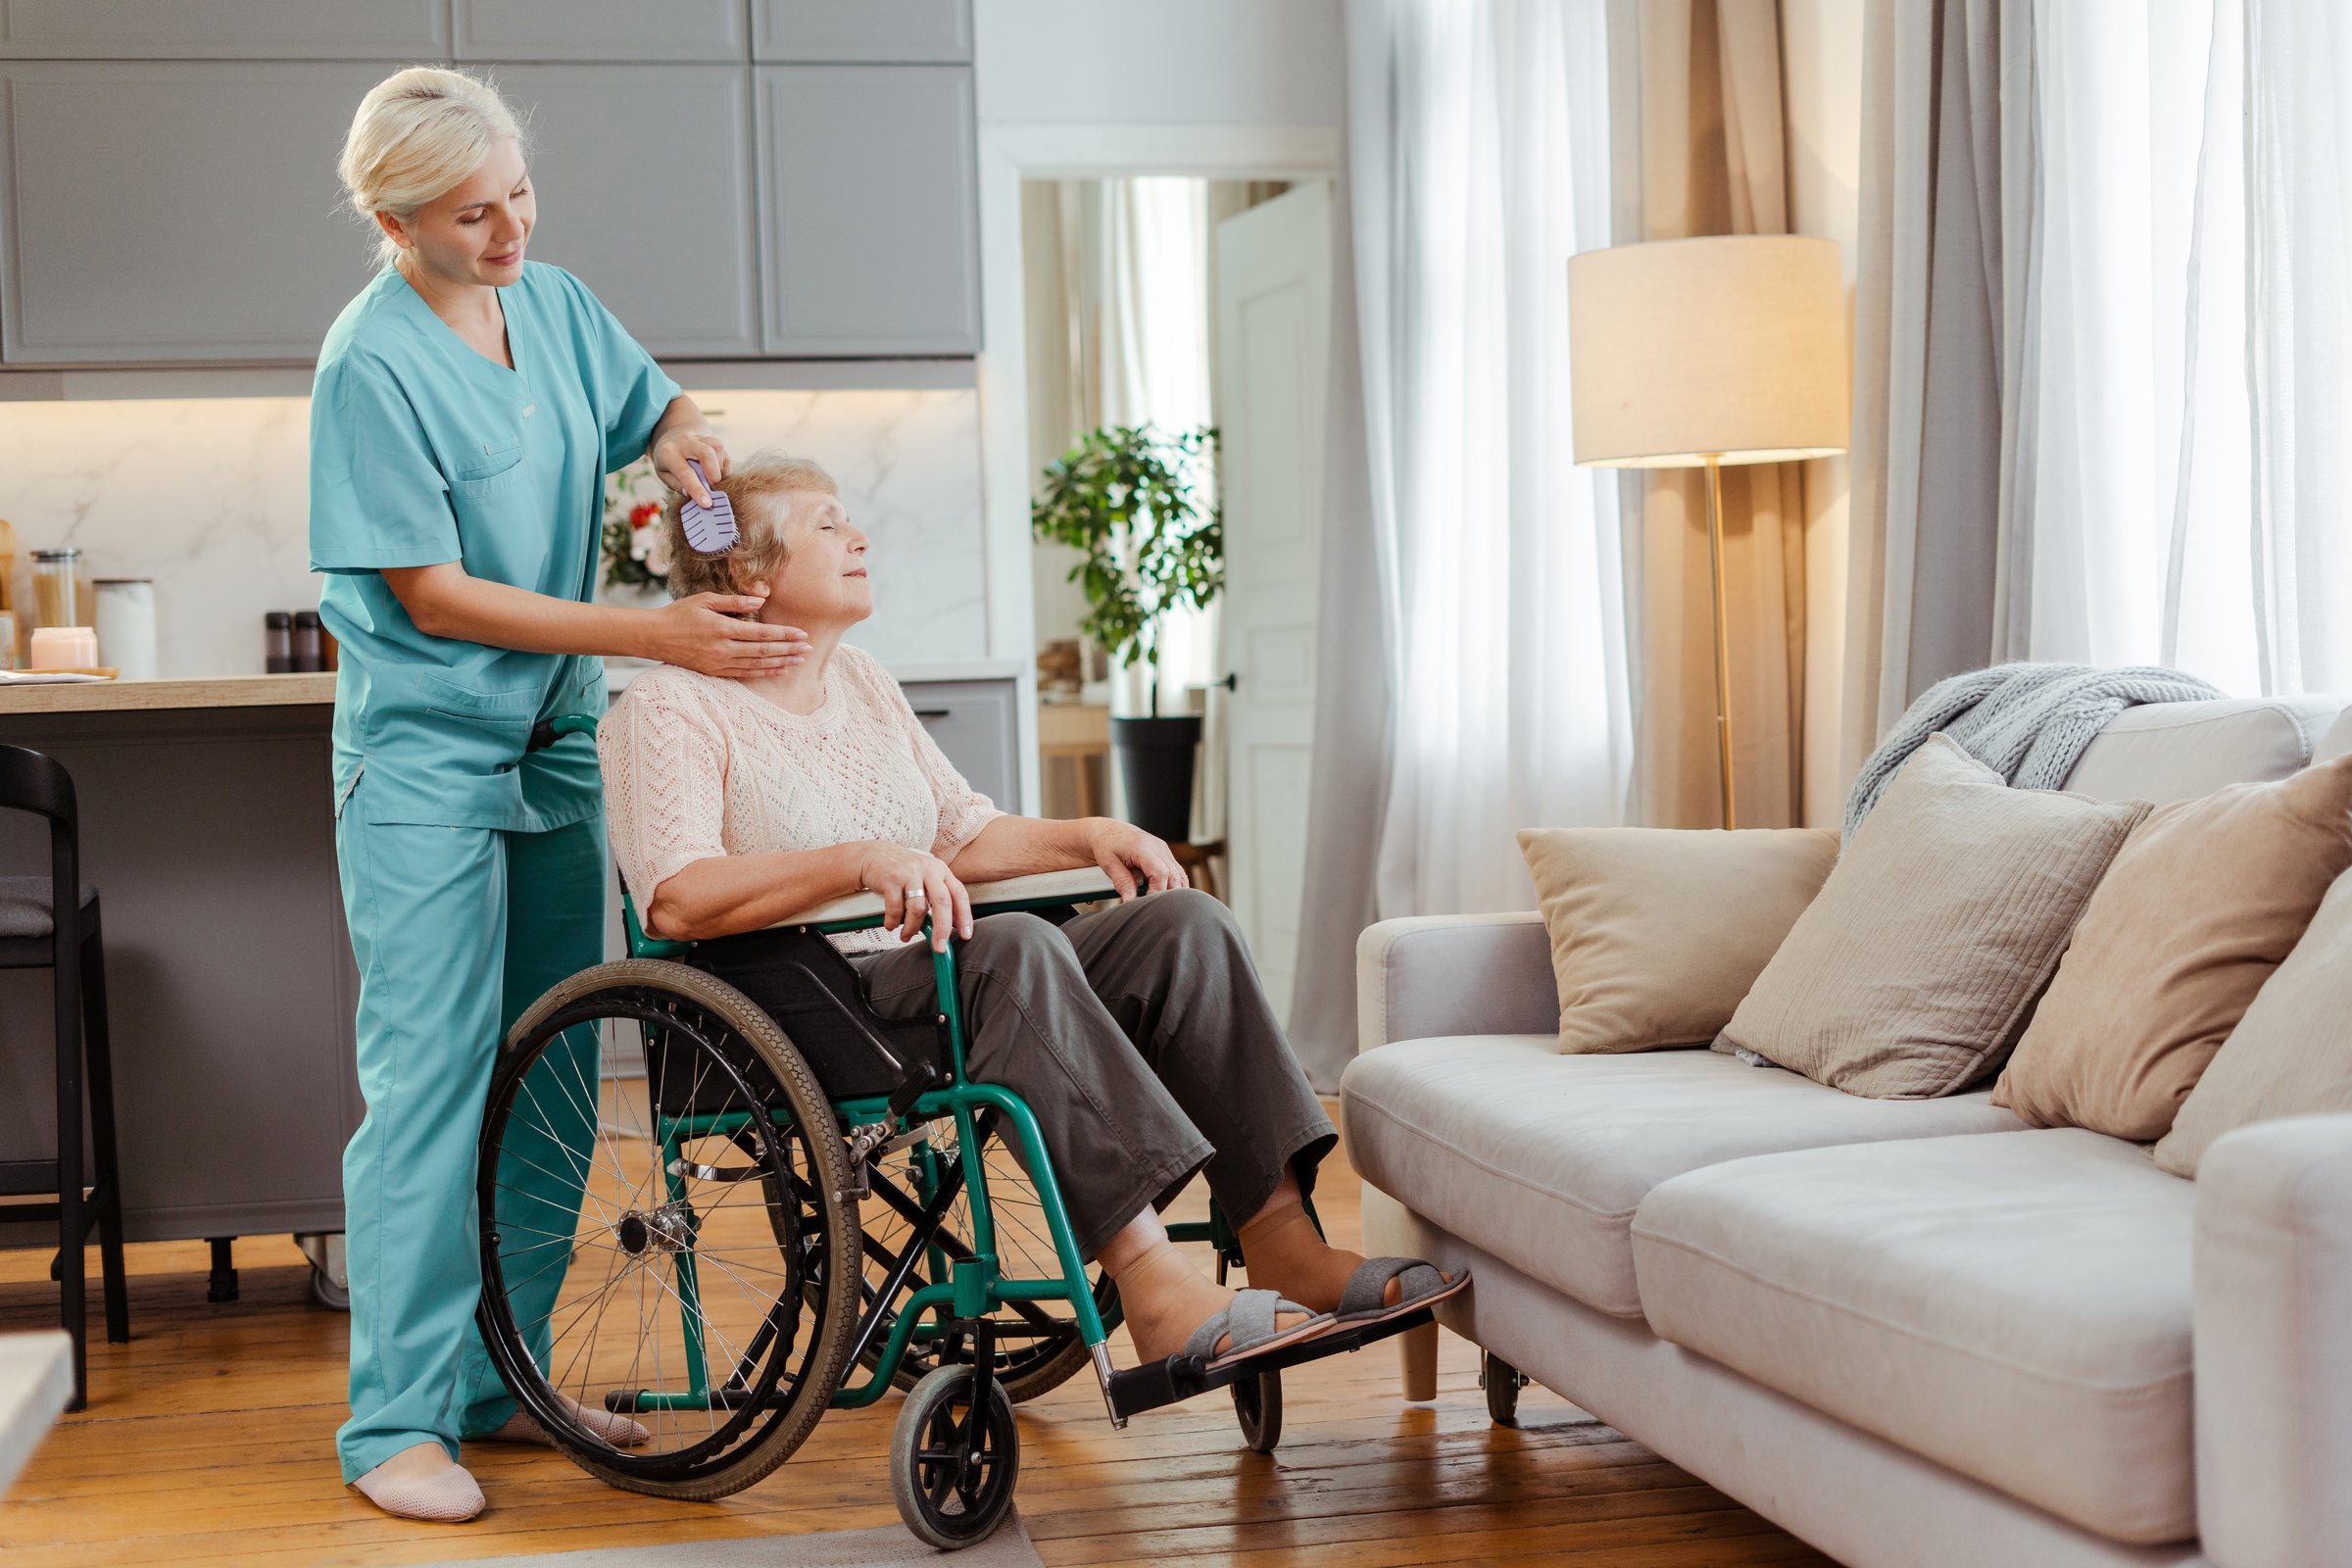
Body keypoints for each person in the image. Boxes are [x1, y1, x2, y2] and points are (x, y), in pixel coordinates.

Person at [599, 457, 1463, 1385]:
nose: (858, 538)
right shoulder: (667, 708)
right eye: (826, 525)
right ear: (748, 576)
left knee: (1186, 927)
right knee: (1012, 946)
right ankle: (1154, 1286)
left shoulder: (863, 684)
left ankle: (1283, 1236)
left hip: (934, 966)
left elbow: (961, 833)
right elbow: (676, 895)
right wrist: (858, 861)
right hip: (812, 997)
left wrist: (1089, 835)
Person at [311, 68, 810, 1524]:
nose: (512, 223)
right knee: (429, 1090)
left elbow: (657, 412)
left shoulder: (560, 304)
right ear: (398, 219)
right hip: (424, 763)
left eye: (521, 191)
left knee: (553, 1077)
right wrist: (651, 632)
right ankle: (393, 1424)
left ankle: (496, 1377)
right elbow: (433, 591)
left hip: (553, 745)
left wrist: (686, 447)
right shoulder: (371, 363)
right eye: (475, 211)